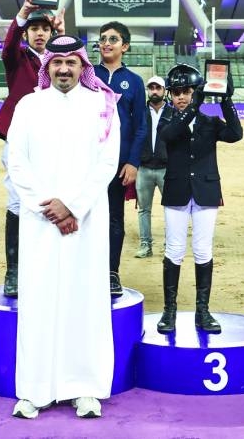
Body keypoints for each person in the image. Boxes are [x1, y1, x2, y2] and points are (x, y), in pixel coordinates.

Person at [7, 34, 120, 420]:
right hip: (41, 223)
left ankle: (85, 388)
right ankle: (34, 390)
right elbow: (16, 161)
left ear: (83, 66)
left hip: (86, 222)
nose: (64, 69)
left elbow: (107, 163)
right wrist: (50, 207)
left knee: (84, 300)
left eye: (71, 62)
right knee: (39, 301)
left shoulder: (102, 105)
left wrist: (73, 206)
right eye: (57, 62)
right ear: (47, 67)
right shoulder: (28, 106)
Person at [156, 63, 243, 335]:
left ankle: (202, 311)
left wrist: (226, 99)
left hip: (205, 191)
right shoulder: (167, 120)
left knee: (203, 250)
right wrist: (196, 106)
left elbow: (236, 134)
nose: (181, 97)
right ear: (170, 95)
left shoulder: (209, 121)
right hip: (177, 191)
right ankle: (169, 310)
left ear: (195, 91)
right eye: (176, 92)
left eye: (187, 91)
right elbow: (169, 135)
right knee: (174, 250)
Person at [0, 0, 64, 297]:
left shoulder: (59, 62)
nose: (40, 33)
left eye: (45, 29)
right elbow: (8, 46)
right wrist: (22, 14)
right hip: (19, 138)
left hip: (53, 139)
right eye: (34, 29)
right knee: (17, 200)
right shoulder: (17, 58)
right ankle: (14, 272)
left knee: (51, 198)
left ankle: (47, 266)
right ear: (26, 33)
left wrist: (63, 35)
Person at [94, 21, 147, 295]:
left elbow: (141, 126)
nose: (106, 43)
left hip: (118, 163)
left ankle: (111, 272)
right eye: (102, 38)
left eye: (112, 39)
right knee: (84, 214)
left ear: (124, 46)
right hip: (88, 161)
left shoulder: (135, 82)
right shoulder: (87, 75)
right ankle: (86, 271)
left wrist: (133, 162)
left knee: (115, 217)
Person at [135, 75, 174, 258]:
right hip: (143, 168)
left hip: (167, 169)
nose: (155, 91)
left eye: (158, 88)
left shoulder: (173, 112)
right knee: (144, 210)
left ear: (164, 90)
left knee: (171, 210)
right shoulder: (140, 112)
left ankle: (170, 245)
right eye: (151, 88)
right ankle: (145, 245)